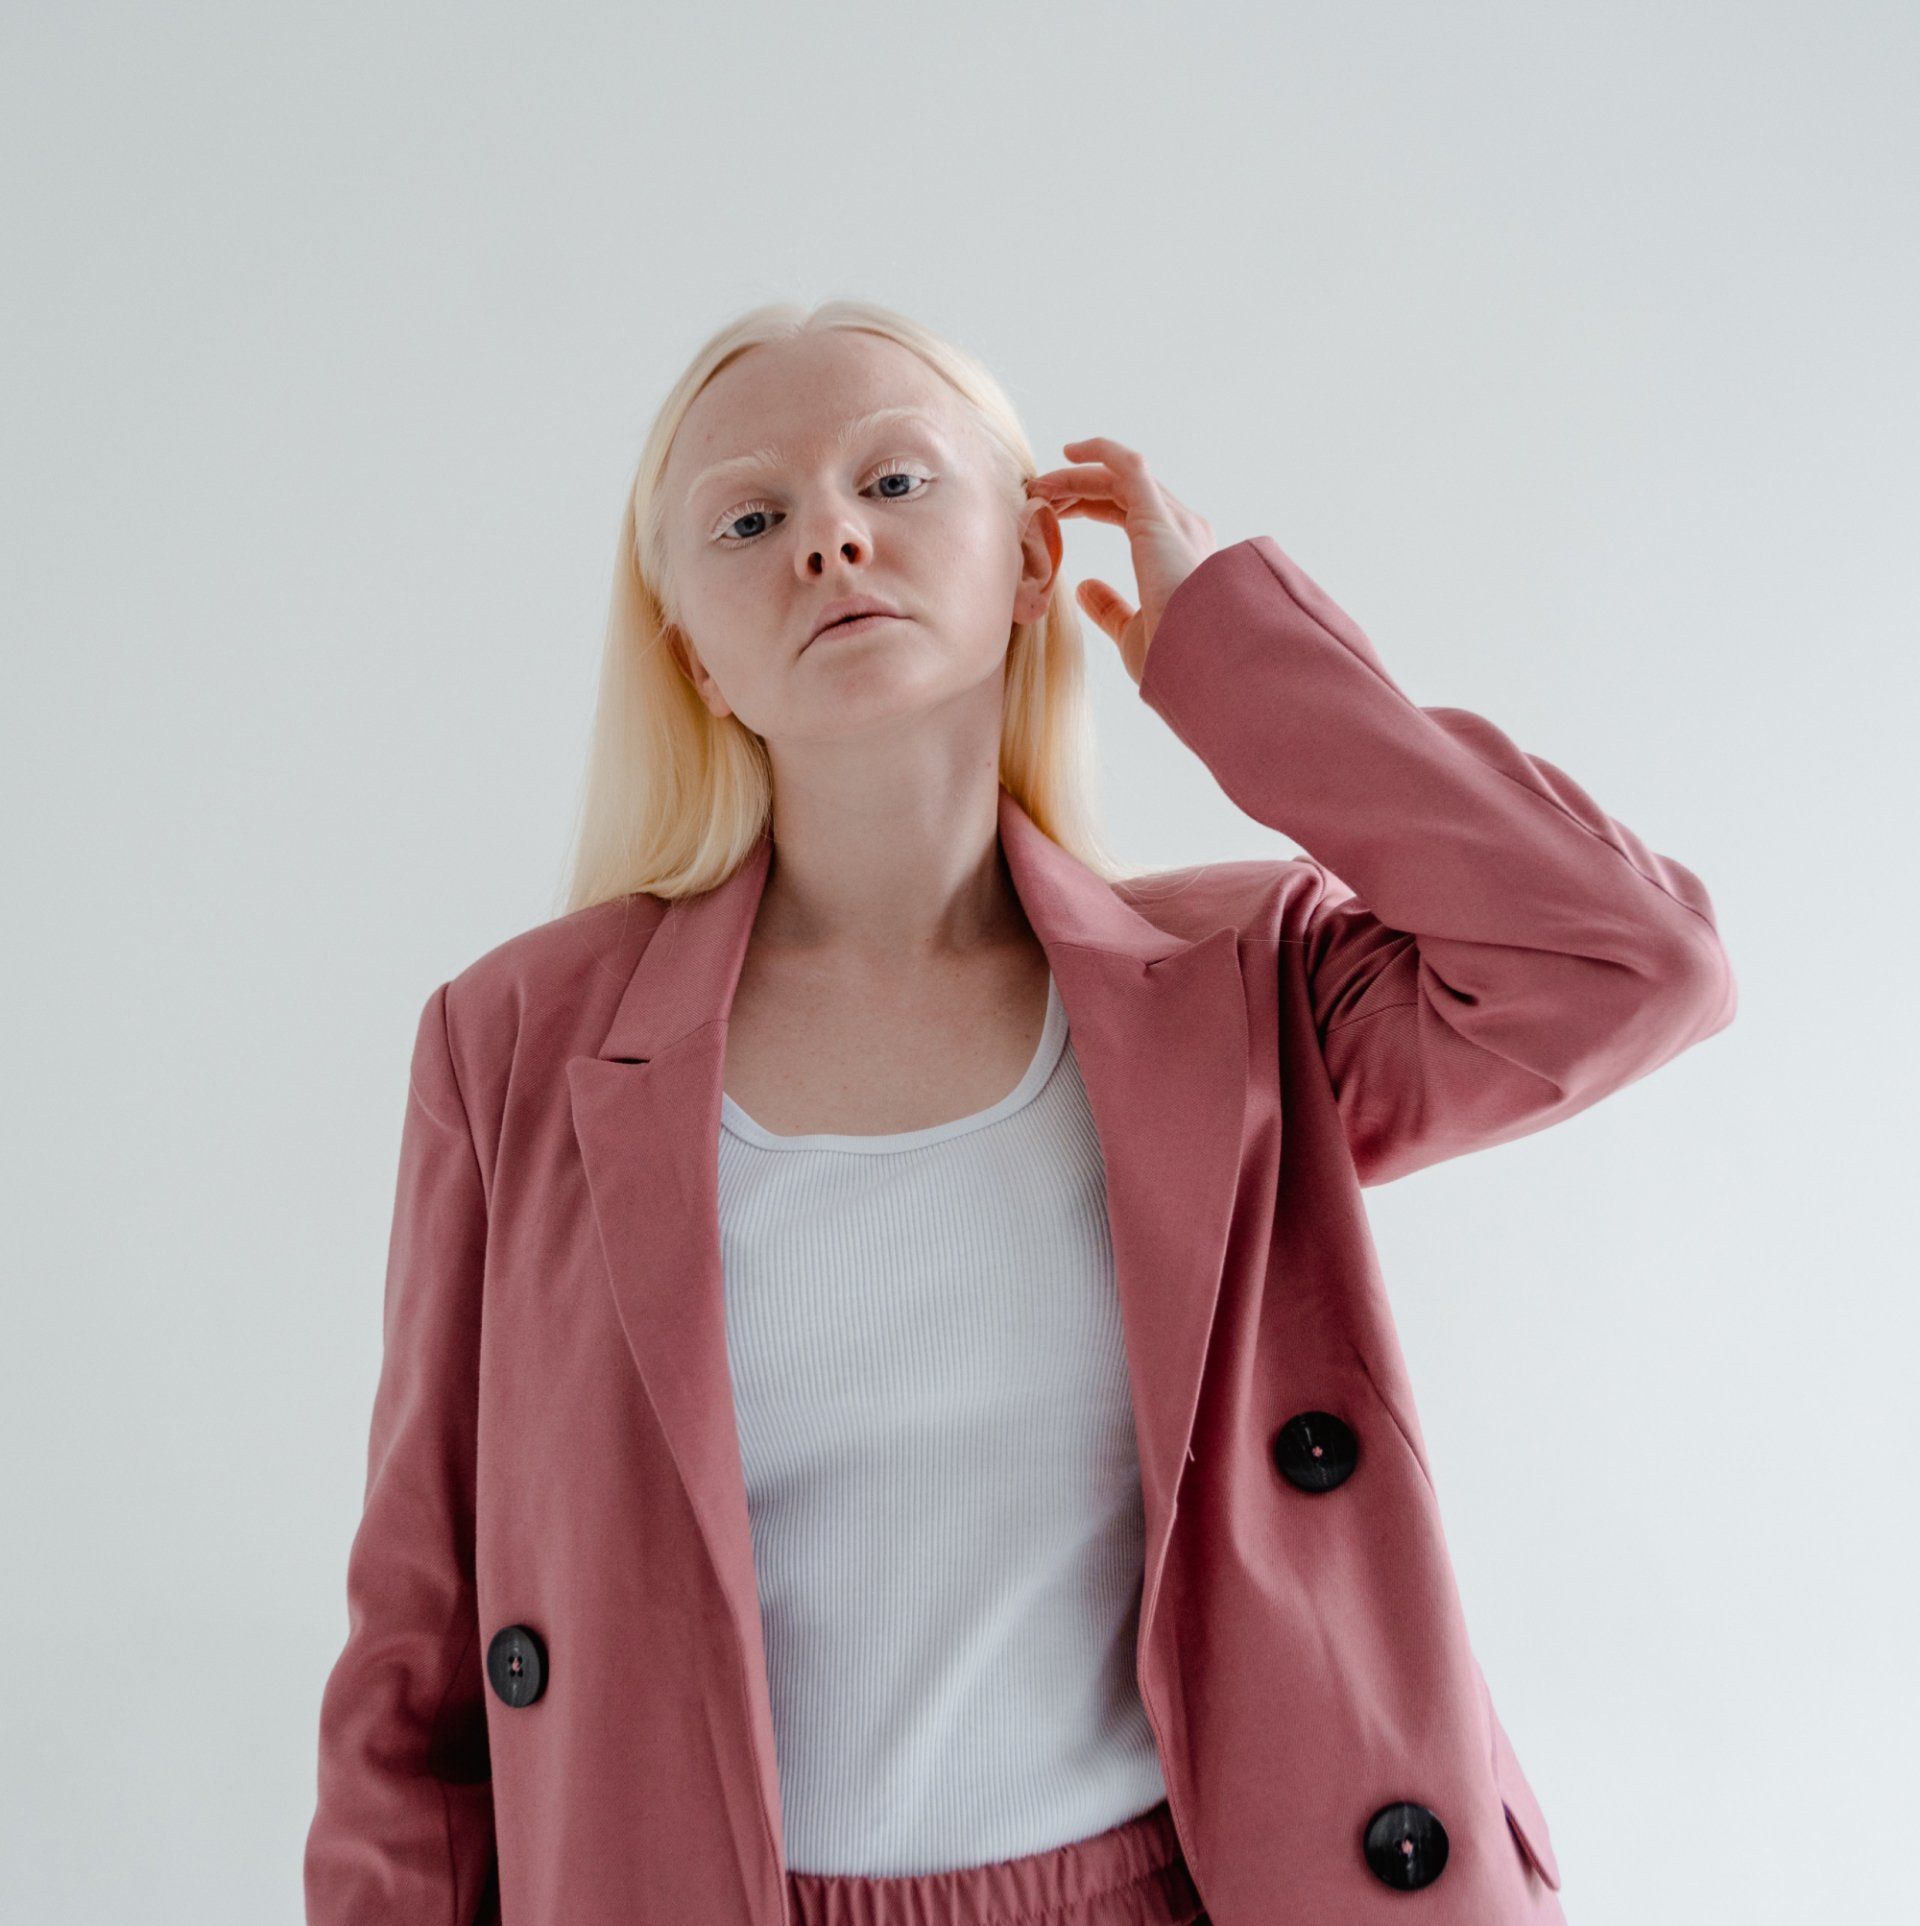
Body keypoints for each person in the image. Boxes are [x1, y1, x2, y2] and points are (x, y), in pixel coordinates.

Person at [305, 299, 1735, 1926]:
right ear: (694, 649)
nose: (831, 540)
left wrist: (1234, 652)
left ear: (1039, 560)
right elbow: (412, 1669)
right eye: (751, 518)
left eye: (897, 483)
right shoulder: (515, 1044)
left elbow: (1631, 964)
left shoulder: (1242, 987)